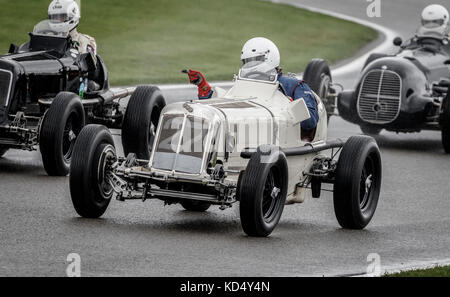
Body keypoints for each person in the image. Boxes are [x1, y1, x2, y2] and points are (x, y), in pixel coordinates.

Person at [185, 37, 319, 131]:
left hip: (282, 141)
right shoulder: (243, 84)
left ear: (270, 57)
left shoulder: (295, 85)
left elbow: (311, 122)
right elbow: (227, 107)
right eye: (248, 61)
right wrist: (203, 87)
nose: (252, 65)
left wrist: (290, 106)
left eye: (256, 60)